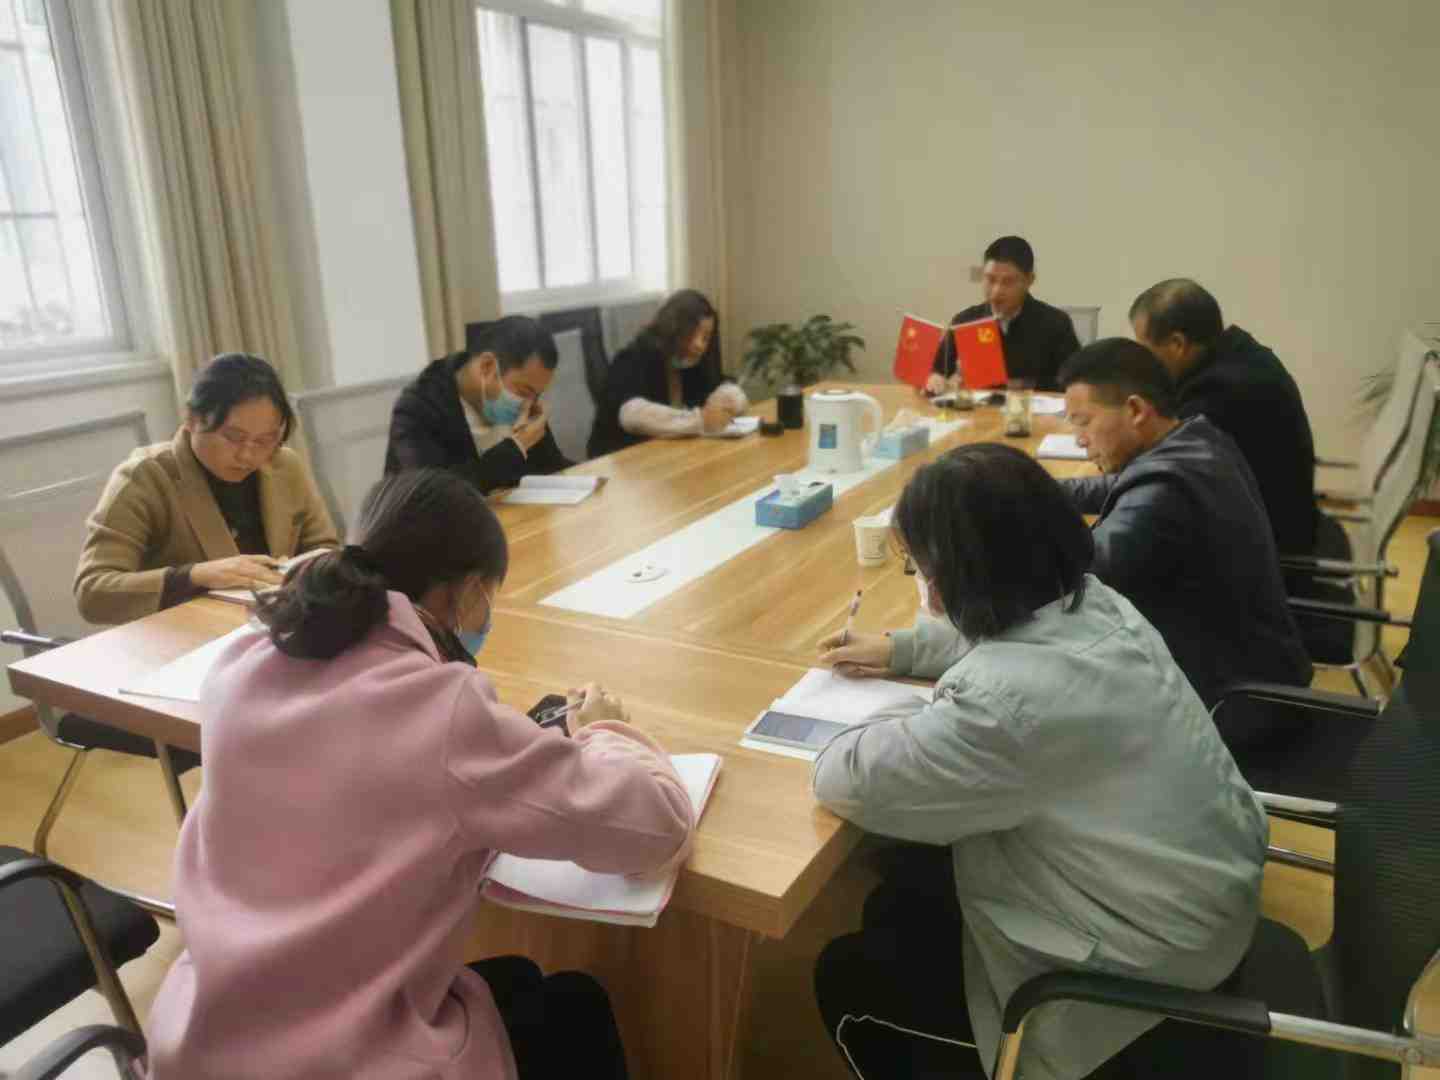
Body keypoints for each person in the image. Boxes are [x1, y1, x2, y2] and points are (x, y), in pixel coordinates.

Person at [141, 468, 695, 1079]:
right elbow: (655, 828)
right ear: (466, 592)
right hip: (332, 1060)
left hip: (203, 1036)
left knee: (518, 979)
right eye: (489, 596)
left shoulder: (241, 662)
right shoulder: (442, 709)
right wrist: (604, 732)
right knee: (576, 1003)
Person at [811, 443, 1268, 1080]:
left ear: (950, 578)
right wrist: (900, 649)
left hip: (1135, 985)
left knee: (845, 974)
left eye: (920, 567)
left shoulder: (1004, 709)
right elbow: (1010, 634)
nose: (925, 589)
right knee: (900, 894)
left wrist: (898, 713)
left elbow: (846, 776)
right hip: (1195, 909)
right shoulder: (1096, 603)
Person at [1058, 339, 1313, 748]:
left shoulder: (1164, 492)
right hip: (1247, 672)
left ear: (1136, 410)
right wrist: (1033, 489)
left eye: (1083, 422)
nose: (1079, 440)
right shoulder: (1196, 439)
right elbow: (1118, 485)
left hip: (1225, 706)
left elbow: (1076, 578)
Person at [74, 353, 337, 625]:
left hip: (274, 625)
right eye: (233, 437)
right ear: (191, 419)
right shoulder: (145, 477)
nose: (248, 455)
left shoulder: (284, 465)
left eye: (265, 440)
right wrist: (194, 576)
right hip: (184, 634)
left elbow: (325, 549)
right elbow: (92, 592)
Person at [1129, 278, 1337, 559]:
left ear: (1177, 344)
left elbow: (1155, 464)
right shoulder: (1239, 353)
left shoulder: (1222, 392)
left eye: (1144, 349)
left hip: (1267, 553)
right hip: (1273, 523)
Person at [385, 315, 572, 495]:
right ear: (487, 366)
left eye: (537, 395)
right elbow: (434, 494)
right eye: (524, 391)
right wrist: (517, 447)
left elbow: (552, 469)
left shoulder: (526, 402)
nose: (528, 404)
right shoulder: (417, 409)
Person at [586, 289, 749, 459]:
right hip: (617, 459)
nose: (699, 345)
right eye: (692, 333)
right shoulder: (632, 358)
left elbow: (722, 388)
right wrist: (700, 420)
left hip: (667, 454)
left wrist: (729, 401)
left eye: (706, 337)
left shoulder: (693, 363)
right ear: (673, 328)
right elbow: (632, 414)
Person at [927, 235, 1080, 394]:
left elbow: (1075, 382)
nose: (996, 291)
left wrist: (1023, 385)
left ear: (1030, 280)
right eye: (990, 279)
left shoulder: (1056, 323)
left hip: (1033, 408)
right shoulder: (966, 321)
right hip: (977, 409)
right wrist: (935, 378)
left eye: (1008, 282)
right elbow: (937, 370)